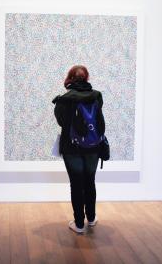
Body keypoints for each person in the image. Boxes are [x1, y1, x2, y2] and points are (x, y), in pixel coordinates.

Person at [52, 64, 105, 234]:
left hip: (71, 147)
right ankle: (91, 218)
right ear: (87, 77)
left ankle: (79, 224)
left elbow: (61, 122)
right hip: (93, 147)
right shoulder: (97, 96)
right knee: (90, 181)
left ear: (70, 78)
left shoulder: (63, 100)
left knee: (76, 184)